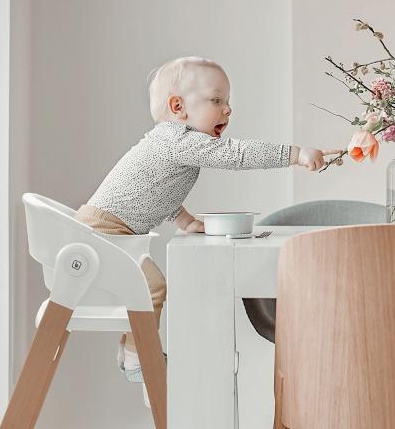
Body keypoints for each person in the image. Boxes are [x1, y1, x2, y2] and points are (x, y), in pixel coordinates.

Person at [76, 56, 340, 381]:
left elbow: (156, 189)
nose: (228, 110)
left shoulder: (173, 144)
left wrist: (184, 220)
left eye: (228, 102)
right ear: (178, 107)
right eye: (217, 100)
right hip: (101, 231)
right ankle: (134, 356)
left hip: (106, 229)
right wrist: (295, 154)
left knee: (149, 287)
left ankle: (131, 350)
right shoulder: (176, 139)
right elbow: (235, 154)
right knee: (152, 287)